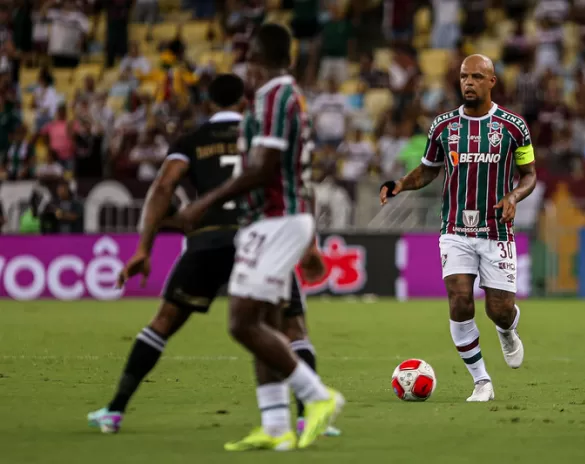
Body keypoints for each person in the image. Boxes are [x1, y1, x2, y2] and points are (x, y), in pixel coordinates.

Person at [87, 72, 340, 442]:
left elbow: (163, 187)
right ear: (244, 102)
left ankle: (115, 410)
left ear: (208, 105)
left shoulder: (192, 140)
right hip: (261, 234)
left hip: (209, 239)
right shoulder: (260, 128)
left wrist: (145, 247)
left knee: (164, 321)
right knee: (290, 326)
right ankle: (308, 418)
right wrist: (310, 244)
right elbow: (297, 183)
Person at [175, 24, 344, 451]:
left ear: (258, 59)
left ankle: (318, 396)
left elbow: (262, 168)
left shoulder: (275, 95)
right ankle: (275, 427)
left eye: (248, 59)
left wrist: (203, 203)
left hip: (276, 220)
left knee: (242, 322)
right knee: (266, 324)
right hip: (271, 221)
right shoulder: (279, 97)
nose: (245, 69)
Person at [379, 54, 537, 402]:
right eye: (464, 76)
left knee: (498, 309)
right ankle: (482, 382)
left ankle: (508, 329)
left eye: (477, 77)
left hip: (496, 230)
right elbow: (427, 170)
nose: (468, 82)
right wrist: (400, 185)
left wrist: (514, 195)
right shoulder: (444, 126)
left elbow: (530, 175)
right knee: (460, 299)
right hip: (455, 229)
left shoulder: (513, 127)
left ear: (491, 81)